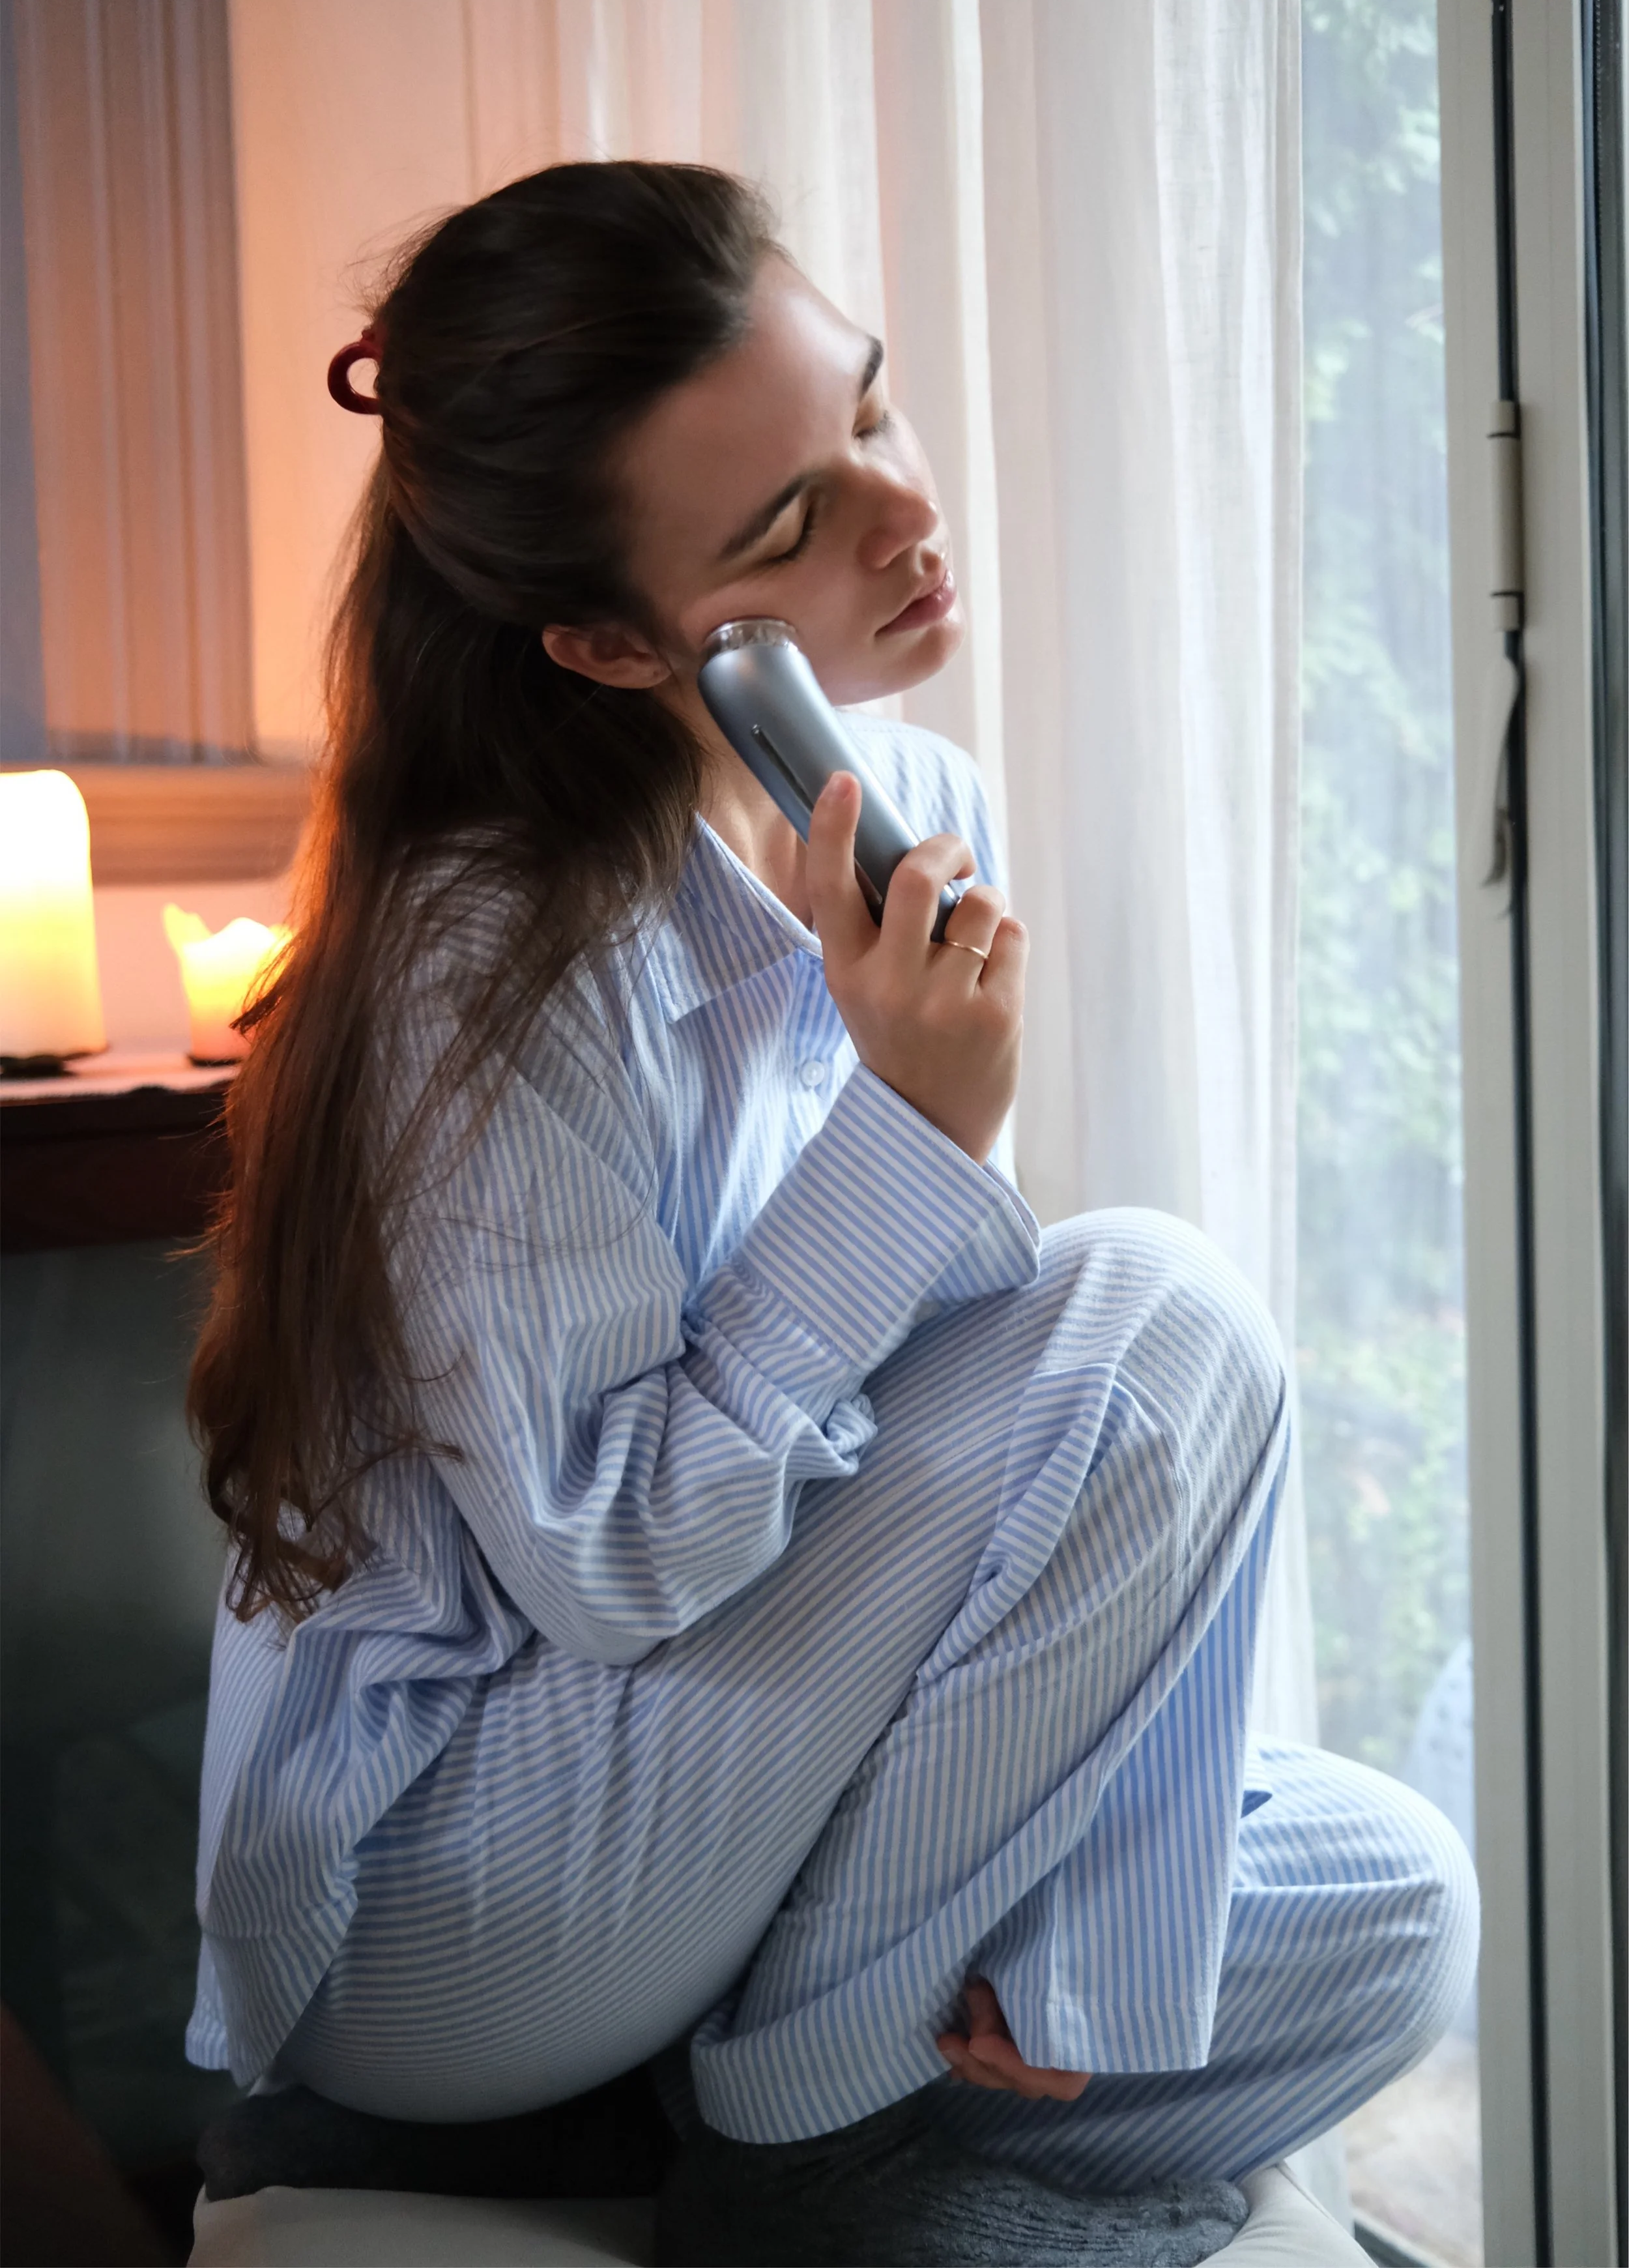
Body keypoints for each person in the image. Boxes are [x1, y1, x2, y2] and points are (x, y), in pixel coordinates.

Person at [185, 162, 1475, 2239]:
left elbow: (987, 1478)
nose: (903, 516)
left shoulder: (904, 803)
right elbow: (611, 1564)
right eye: (786, 527)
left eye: (866, 413)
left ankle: (828, 2099)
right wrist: (907, 1131)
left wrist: (1060, 1878)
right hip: (464, 1902)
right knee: (1154, 1303)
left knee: (1395, 1907)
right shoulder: (480, 963)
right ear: (612, 642)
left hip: (748, 1830)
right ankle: (807, 2170)